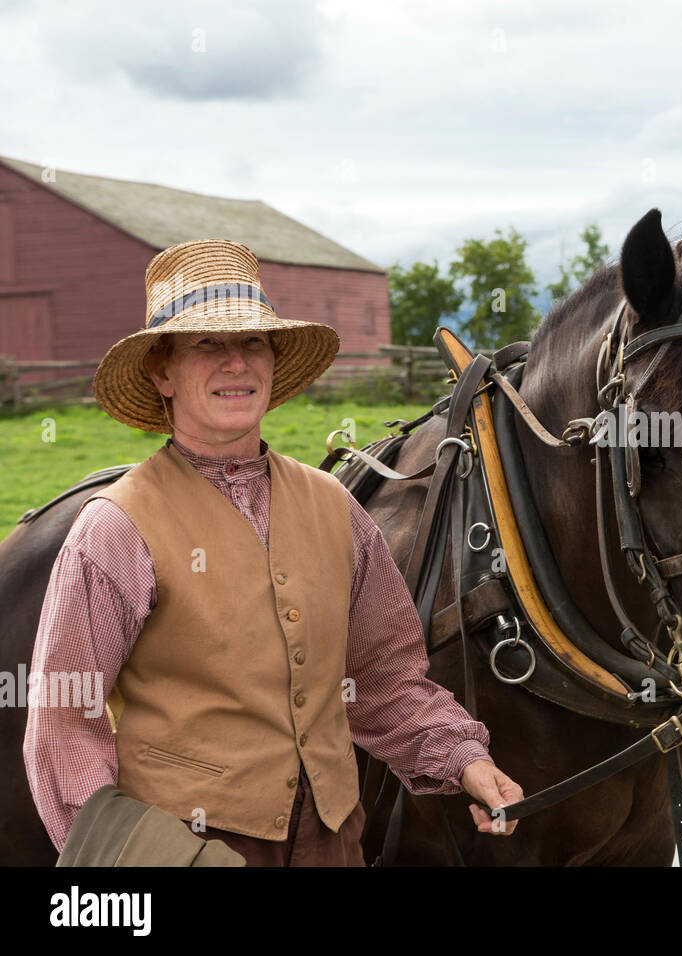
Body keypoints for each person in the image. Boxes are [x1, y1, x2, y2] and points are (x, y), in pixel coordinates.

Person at [23, 238, 522, 865]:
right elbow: (63, 726)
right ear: (161, 372)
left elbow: (383, 680)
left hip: (332, 844)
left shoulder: (335, 507)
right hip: (188, 849)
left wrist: (464, 760)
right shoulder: (116, 530)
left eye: (252, 342)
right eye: (207, 343)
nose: (236, 363)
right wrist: (138, 863)